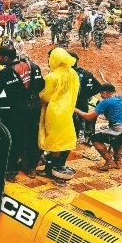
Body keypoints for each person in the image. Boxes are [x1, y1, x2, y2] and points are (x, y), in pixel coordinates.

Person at [0, 43, 46, 179]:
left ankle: (11, 171)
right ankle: (30, 168)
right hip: (35, 109)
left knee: (16, 139)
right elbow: (41, 85)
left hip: (18, 111)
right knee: (32, 137)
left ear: (5, 58)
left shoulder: (4, 74)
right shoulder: (34, 66)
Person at [75, 83, 122, 171]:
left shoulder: (106, 102)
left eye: (101, 94)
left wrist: (74, 109)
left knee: (95, 139)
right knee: (116, 139)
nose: (101, 96)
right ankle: (118, 162)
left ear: (105, 93)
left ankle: (109, 161)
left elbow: (88, 117)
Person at [39, 48, 79, 180]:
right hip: (67, 111)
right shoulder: (73, 73)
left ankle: (48, 170)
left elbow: (46, 97)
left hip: (54, 112)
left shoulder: (51, 77)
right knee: (63, 138)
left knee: (53, 141)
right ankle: (59, 166)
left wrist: (39, 95)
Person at [70, 52, 102, 143]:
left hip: (73, 101)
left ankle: (78, 139)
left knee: (75, 120)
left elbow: (98, 87)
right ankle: (85, 138)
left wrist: (86, 95)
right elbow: (98, 87)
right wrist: (87, 95)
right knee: (82, 119)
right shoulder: (86, 73)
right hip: (83, 101)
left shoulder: (68, 73)